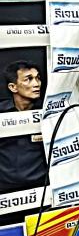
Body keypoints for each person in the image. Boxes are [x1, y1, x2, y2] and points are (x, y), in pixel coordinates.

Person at [0, 61, 48, 194]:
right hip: (5, 192)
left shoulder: (48, 111)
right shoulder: (1, 112)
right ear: (13, 87)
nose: (36, 84)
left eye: (38, 78)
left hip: (43, 189)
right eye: (28, 79)